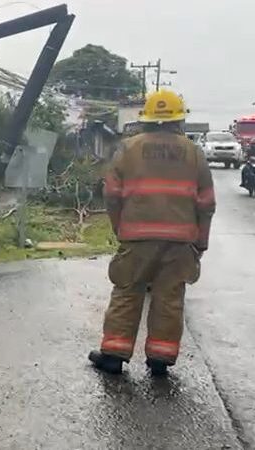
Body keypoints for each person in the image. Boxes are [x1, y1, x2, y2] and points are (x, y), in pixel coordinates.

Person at [88, 90, 216, 377]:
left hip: (136, 238)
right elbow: (206, 204)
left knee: (127, 292)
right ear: (178, 119)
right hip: (181, 242)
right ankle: (161, 359)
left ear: (146, 118)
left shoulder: (127, 149)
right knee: (169, 298)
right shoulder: (194, 153)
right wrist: (201, 242)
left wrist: (120, 227)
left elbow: (111, 195)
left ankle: (113, 355)